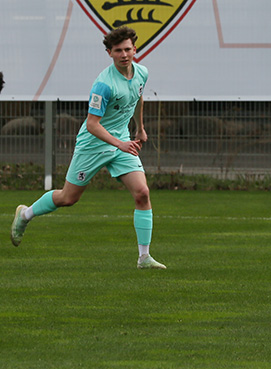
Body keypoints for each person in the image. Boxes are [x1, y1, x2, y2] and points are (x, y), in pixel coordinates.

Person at [10, 27, 165, 269]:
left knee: (142, 193)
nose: (124, 54)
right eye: (118, 51)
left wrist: (140, 128)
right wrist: (120, 143)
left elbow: (138, 97)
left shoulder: (141, 73)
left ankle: (143, 257)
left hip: (121, 144)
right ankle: (25, 215)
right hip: (93, 146)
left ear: (135, 49)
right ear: (109, 53)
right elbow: (92, 125)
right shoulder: (103, 85)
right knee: (68, 198)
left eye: (128, 49)